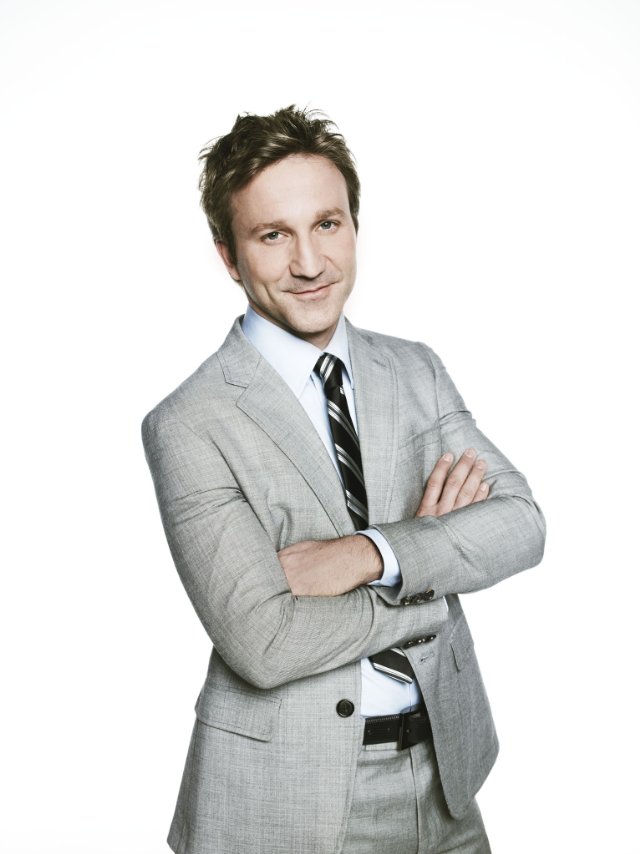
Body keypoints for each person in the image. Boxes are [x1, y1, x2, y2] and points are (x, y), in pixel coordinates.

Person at [141, 105, 545, 854]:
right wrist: (431, 580)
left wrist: (368, 553)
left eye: (327, 224)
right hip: (282, 804)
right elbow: (264, 641)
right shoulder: (189, 422)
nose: (309, 262)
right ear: (229, 255)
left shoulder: (415, 370)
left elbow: (521, 523)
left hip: (446, 783)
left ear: (354, 225)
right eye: (273, 235)